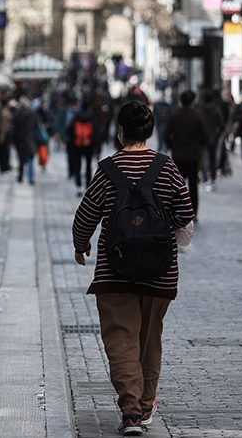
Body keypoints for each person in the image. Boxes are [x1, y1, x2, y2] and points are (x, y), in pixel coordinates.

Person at [72, 101, 195, 436]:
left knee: (122, 339)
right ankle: (146, 403)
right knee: (150, 337)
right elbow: (185, 214)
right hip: (160, 270)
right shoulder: (167, 167)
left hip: (116, 271)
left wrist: (80, 245)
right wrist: (178, 246)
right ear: (150, 130)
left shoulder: (108, 169)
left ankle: (131, 413)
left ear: (120, 130)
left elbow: (86, 214)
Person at [163, 91, 208, 215]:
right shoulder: (196, 117)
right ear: (193, 102)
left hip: (178, 155)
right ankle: (193, 212)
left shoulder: (175, 116)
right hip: (193, 155)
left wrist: (173, 146)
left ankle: (177, 210)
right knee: (193, 185)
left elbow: (166, 135)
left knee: (177, 186)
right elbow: (205, 136)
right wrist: (197, 145)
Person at [66, 98, 98, 196]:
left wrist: (73, 140)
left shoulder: (76, 116)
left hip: (77, 145)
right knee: (88, 165)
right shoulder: (92, 117)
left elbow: (69, 129)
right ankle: (88, 186)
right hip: (89, 145)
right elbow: (97, 133)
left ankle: (78, 185)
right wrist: (97, 148)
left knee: (78, 165)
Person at [195, 90, 224, 192]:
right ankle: (213, 178)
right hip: (212, 137)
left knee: (203, 158)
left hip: (202, 137)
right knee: (212, 158)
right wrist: (217, 135)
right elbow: (221, 124)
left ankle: (205, 178)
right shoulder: (215, 109)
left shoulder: (198, 110)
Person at [12, 96, 38, 185]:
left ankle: (20, 176)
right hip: (30, 139)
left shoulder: (17, 114)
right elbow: (36, 127)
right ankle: (30, 178)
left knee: (21, 159)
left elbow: (13, 128)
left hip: (19, 140)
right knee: (30, 159)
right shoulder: (32, 114)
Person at [0, 96, 14, 174]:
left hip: (4, 134)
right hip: (8, 134)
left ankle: (3, 166)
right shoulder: (7, 111)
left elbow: (3, 125)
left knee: (2, 152)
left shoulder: (3, 112)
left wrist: (2, 137)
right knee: (6, 150)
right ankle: (5, 165)